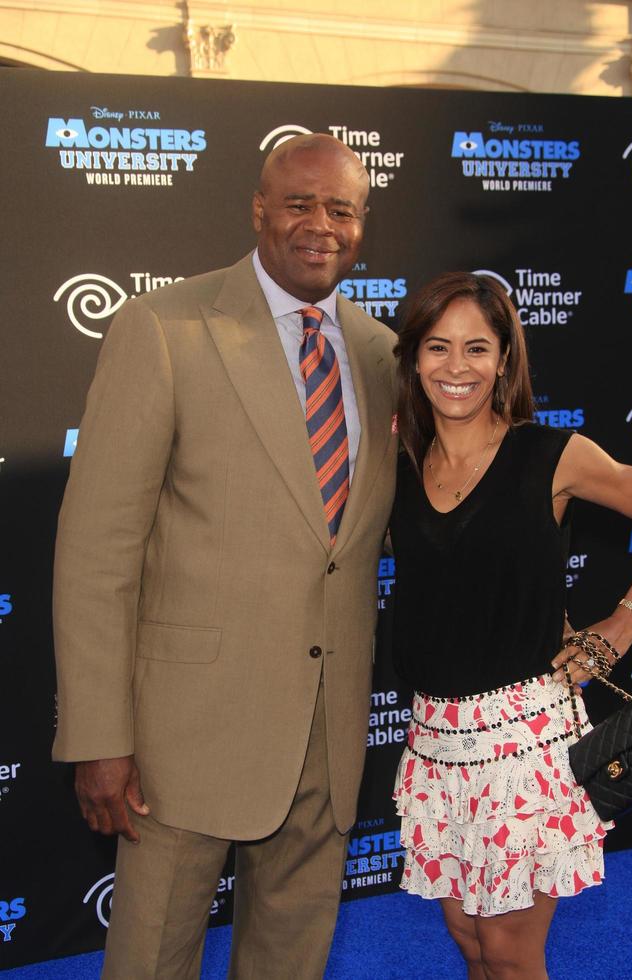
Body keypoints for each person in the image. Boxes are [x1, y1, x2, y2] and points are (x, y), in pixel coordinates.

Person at [52, 133, 398, 979]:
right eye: (300, 203)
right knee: (152, 959)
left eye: (342, 209)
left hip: (327, 728)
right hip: (183, 734)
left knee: (291, 956)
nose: (322, 225)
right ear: (258, 209)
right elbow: (97, 547)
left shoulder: (382, 353)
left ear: (362, 227)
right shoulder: (165, 327)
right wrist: (99, 732)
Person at [389, 271, 632, 979]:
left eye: (477, 348)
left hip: (524, 745)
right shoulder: (400, 466)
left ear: (504, 358)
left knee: (509, 952)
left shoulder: (551, 455)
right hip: (434, 741)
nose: (456, 368)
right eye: (438, 347)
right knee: (472, 944)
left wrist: (625, 623)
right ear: (414, 357)